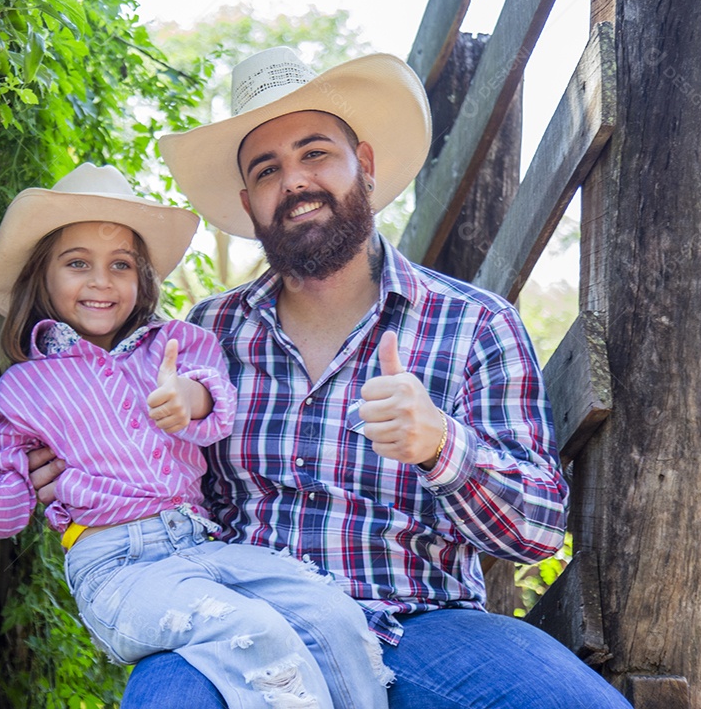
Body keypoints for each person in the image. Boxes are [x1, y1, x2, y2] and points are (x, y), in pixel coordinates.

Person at [31, 49, 634, 708]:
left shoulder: (473, 325)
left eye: (314, 153)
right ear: (249, 203)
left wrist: (441, 446)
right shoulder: (205, 334)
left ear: (364, 167)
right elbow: (138, 453)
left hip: (422, 624)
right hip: (238, 620)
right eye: (268, 170)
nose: (294, 181)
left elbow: (539, 531)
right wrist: (68, 462)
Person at [0, 162, 394, 709]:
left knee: (329, 613)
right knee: (252, 631)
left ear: (141, 278)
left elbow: (212, 401)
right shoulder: (23, 389)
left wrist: (186, 400)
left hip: (204, 543)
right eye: (77, 263)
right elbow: (3, 511)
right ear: (42, 276)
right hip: (117, 568)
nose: (101, 281)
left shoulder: (174, 345)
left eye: (120, 265)